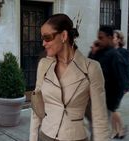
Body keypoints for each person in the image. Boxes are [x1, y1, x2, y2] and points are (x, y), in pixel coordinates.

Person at [29, 13, 109, 141]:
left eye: (47, 37)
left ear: (64, 36)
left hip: (75, 137)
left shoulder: (91, 68)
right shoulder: (44, 65)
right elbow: (36, 108)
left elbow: (100, 118)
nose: (43, 43)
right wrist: (32, 138)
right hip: (45, 136)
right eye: (42, 38)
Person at [91, 26, 128, 139]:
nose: (98, 40)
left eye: (101, 38)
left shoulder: (116, 55)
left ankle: (120, 130)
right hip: (96, 100)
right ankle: (118, 130)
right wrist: (93, 53)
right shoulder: (98, 52)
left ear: (110, 38)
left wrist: (111, 104)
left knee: (99, 133)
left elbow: (122, 80)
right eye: (98, 37)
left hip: (106, 101)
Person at [111, 30, 129, 139]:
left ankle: (121, 129)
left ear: (119, 39)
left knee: (112, 109)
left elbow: (127, 70)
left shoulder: (124, 52)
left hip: (119, 86)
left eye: (113, 37)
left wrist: (126, 86)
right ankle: (115, 131)